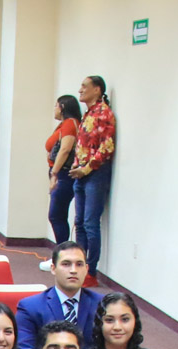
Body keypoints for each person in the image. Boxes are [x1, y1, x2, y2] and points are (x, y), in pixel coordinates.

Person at [16, 240, 102, 349]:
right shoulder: (30, 307)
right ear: (53, 268)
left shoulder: (101, 304)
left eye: (79, 264)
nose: (73, 270)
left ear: (86, 269)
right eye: (66, 264)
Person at [67, 75, 117, 276]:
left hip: (95, 174)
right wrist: (76, 166)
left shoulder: (104, 113)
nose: (80, 90)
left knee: (90, 223)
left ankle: (91, 271)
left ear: (97, 90)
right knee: (79, 223)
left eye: (84, 86)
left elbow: (107, 147)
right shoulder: (88, 114)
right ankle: (78, 266)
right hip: (80, 173)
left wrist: (86, 168)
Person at [43, 95, 83, 259]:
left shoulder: (69, 124)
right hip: (59, 172)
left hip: (63, 174)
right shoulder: (64, 124)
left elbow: (65, 149)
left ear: (63, 107)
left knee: (56, 215)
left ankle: (63, 255)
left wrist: (54, 173)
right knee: (57, 214)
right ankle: (62, 254)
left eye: (56, 105)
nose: (54, 109)